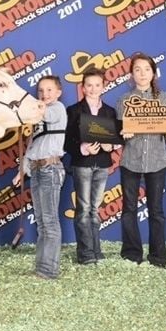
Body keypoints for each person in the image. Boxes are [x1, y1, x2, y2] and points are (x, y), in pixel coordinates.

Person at [116, 52, 166, 268]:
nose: (142, 74)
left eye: (146, 69)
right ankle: (132, 254)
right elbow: (118, 132)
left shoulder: (165, 98)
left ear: (153, 73)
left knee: (156, 210)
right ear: (132, 74)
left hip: (157, 160)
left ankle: (158, 257)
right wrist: (123, 133)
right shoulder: (123, 100)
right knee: (129, 209)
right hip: (131, 160)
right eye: (137, 70)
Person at [13, 76, 66, 279]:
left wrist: (27, 106)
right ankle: (42, 267)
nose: (45, 94)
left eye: (49, 90)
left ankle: (49, 270)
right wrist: (22, 170)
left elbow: (46, 114)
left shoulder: (57, 109)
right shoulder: (38, 120)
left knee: (50, 222)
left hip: (50, 168)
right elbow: (33, 147)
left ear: (58, 93)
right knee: (43, 223)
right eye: (41, 91)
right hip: (37, 170)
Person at [64, 68, 117, 265]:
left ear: (104, 87)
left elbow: (116, 140)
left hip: (102, 164)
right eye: (89, 85)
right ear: (82, 88)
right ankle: (85, 253)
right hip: (82, 164)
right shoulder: (73, 111)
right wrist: (83, 148)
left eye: (97, 85)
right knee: (84, 208)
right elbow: (66, 142)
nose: (93, 89)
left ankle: (96, 250)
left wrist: (109, 145)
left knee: (95, 209)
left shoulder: (110, 111)